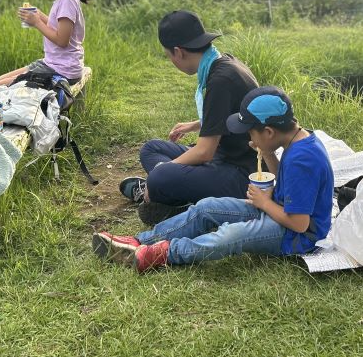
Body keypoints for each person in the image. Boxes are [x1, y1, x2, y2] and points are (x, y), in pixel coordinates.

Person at [93, 86, 334, 272]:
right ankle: (139, 241)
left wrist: (264, 203)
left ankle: (164, 254)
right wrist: (268, 153)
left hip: (296, 236)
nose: (249, 137)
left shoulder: (303, 159)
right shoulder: (298, 141)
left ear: (269, 132)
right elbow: (288, 184)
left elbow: (300, 224)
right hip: (280, 212)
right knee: (207, 207)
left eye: (251, 132)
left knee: (230, 235)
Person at [120, 10, 259, 225]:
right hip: (224, 157)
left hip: (242, 173)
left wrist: (167, 169)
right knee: (152, 149)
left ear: (178, 52)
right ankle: (171, 193)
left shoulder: (220, 80)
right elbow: (233, 113)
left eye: (168, 56)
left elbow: (204, 152)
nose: (171, 61)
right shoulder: (224, 62)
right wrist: (196, 125)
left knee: (160, 176)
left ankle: (162, 192)